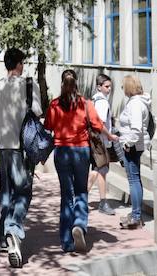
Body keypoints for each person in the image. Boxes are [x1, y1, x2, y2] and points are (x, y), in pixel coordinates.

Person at [0, 47, 43, 268]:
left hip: (3, 146)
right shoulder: (29, 85)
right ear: (18, 64)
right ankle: (13, 229)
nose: (23, 66)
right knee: (24, 190)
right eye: (22, 62)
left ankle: (2, 235)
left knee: (7, 192)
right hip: (24, 146)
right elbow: (37, 112)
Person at [45, 69, 107, 254]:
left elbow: (48, 126)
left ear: (62, 84)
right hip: (81, 151)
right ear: (77, 83)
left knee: (66, 195)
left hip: (62, 152)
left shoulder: (55, 104)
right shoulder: (85, 103)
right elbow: (97, 124)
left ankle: (66, 241)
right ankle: (79, 225)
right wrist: (111, 135)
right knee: (81, 191)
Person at [115, 75, 151, 229]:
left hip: (132, 147)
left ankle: (136, 216)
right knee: (135, 179)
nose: (122, 89)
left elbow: (136, 129)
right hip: (134, 145)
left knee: (133, 180)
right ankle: (136, 214)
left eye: (123, 86)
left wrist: (127, 144)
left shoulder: (135, 104)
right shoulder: (137, 102)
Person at [87, 73, 118, 215]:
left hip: (95, 140)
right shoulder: (102, 102)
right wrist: (110, 135)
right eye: (106, 86)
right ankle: (94, 200)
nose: (109, 89)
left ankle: (98, 200)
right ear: (99, 87)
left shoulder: (94, 99)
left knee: (99, 169)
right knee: (101, 169)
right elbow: (100, 123)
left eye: (110, 86)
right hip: (100, 141)